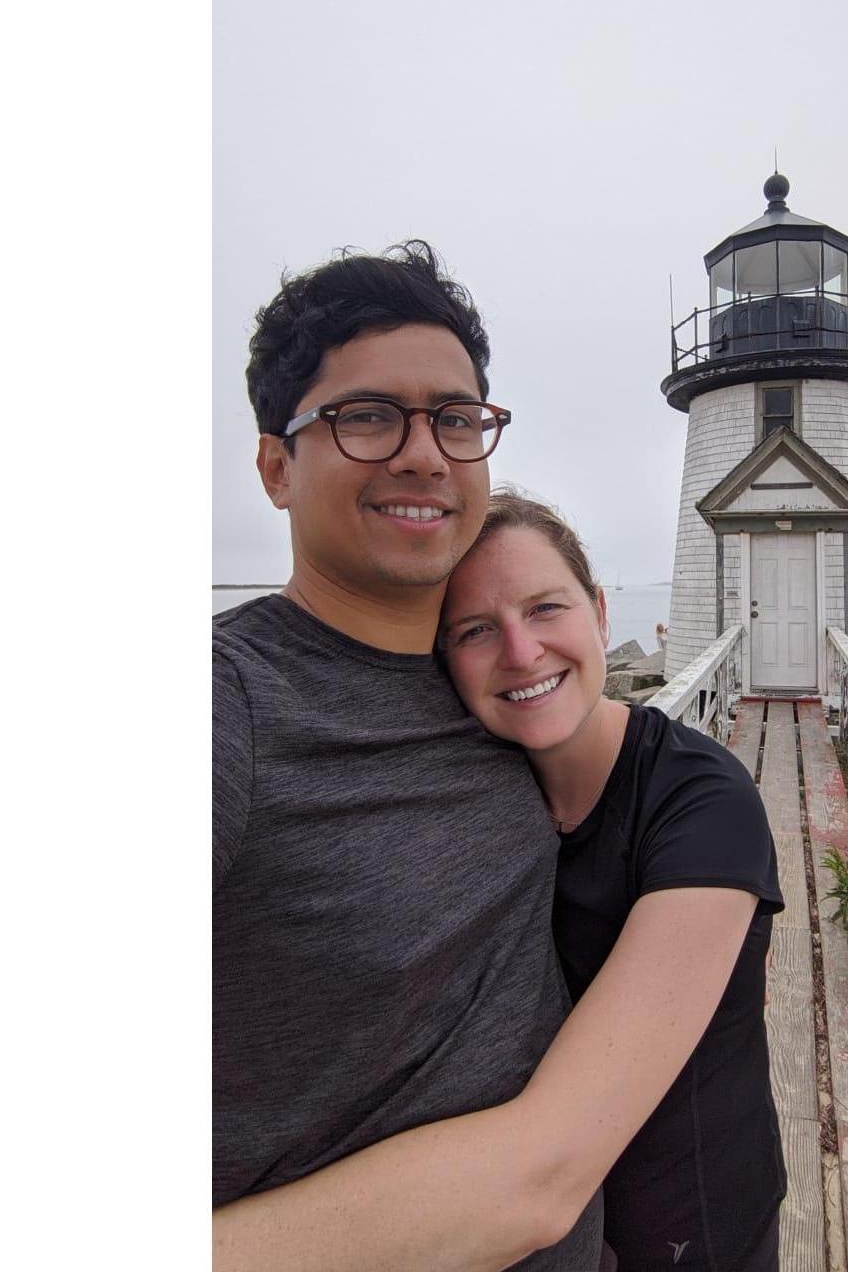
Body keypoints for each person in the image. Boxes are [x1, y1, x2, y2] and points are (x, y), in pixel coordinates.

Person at [213, 242, 606, 1270]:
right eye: (368, 416)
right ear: (274, 466)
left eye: (456, 418)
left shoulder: (499, 685)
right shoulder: (228, 700)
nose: (425, 454)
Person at [439, 493, 788, 1272]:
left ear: (599, 613)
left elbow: (548, 1170)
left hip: (688, 1228)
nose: (523, 651)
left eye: (546, 607)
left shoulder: (703, 802)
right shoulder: (472, 799)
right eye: (475, 630)